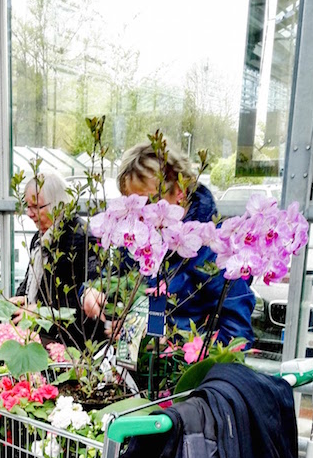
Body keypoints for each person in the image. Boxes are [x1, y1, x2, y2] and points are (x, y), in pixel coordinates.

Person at [83, 139, 256, 346]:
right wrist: (90, 292)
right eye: (131, 204)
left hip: (187, 372)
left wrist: (175, 345)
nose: (139, 213)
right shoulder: (136, 234)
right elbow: (112, 282)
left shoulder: (214, 247)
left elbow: (238, 335)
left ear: (180, 192)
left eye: (148, 202)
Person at [12, 172, 101, 347]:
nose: (29, 214)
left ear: (58, 205)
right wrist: (20, 298)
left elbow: (85, 299)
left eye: (36, 207)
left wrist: (40, 312)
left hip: (71, 343)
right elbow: (32, 281)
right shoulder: (40, 239)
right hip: (42, 334)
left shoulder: (82, 238)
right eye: (27, 207)